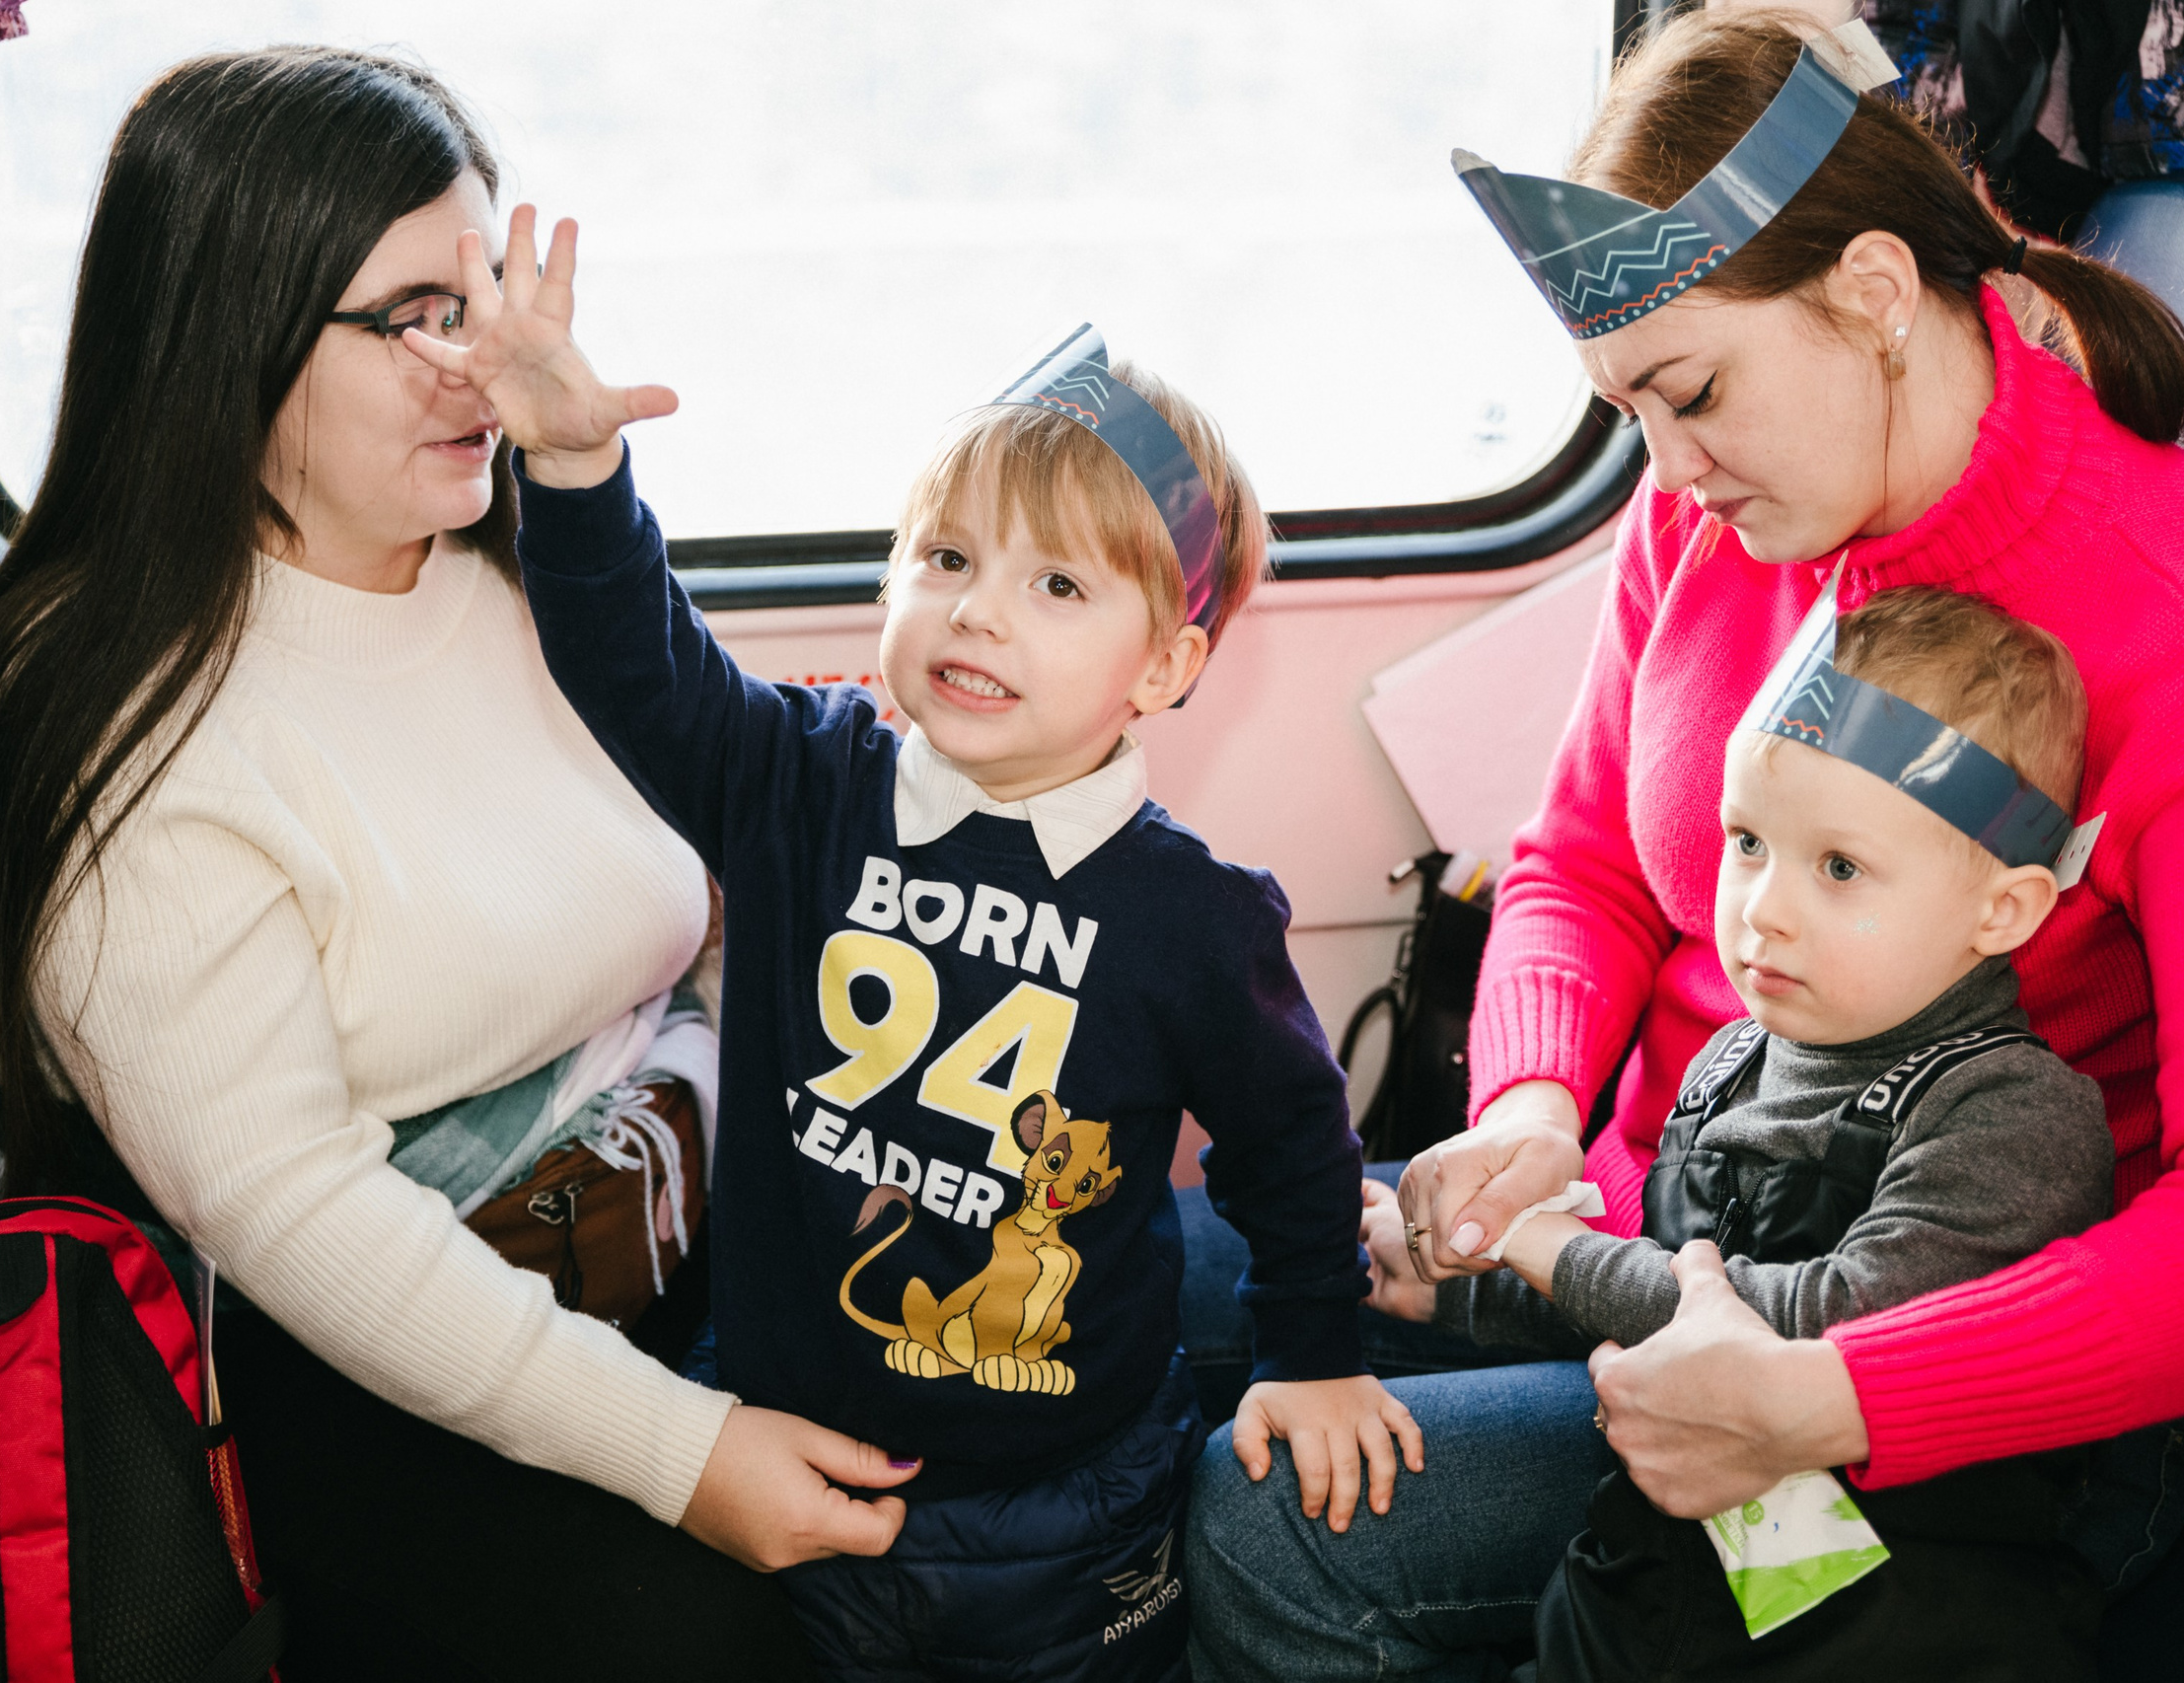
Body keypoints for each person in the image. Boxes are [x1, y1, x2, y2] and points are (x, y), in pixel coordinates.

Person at [1187, 11, 2184, 1677]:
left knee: (1278, 1517)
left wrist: (1833, 1395)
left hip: (1911, 1329)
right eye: (1628, 413)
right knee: (1153, 1265)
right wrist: (1533, 1112)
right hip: (1653, 1219)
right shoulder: (1704, 513)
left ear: (1868, 292)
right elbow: (1578, 863)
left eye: (1692, 394)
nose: (1669, 471)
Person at [0, 47, 918, 1680]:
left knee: (1096, 1369)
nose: (493, 362)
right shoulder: (121, 720)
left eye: (492, 291)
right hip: (350, 1360)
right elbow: (300, 1213)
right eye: (424, 315)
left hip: (665, 1194)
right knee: (743, 1641)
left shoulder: (517, 571)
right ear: (234, 337)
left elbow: (722, 868)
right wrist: (686, 1453)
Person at [399, 216, 1421, 1678]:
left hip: (1069, 1483)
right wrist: (570, 468)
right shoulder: (801, 780)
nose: (976, 611)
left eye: (1056, 586)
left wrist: (1312, 1352)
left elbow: (1293, 1144)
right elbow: (635, 656)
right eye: (945, 556)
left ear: (1166, 666)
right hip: (792, 1435)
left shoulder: (1194, 915)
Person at [1443, 586, 2111, 1679]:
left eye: (1837, 867)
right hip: (1660, 1584)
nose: (1762, 907)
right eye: (1747, 840)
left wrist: (1530, 1240)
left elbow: (1808, 1326)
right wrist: (1452, 1266)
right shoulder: (1732, 1059)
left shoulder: (2010, 1113)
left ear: (2004, 908)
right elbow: (1663, 1285)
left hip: (1885, 1631)